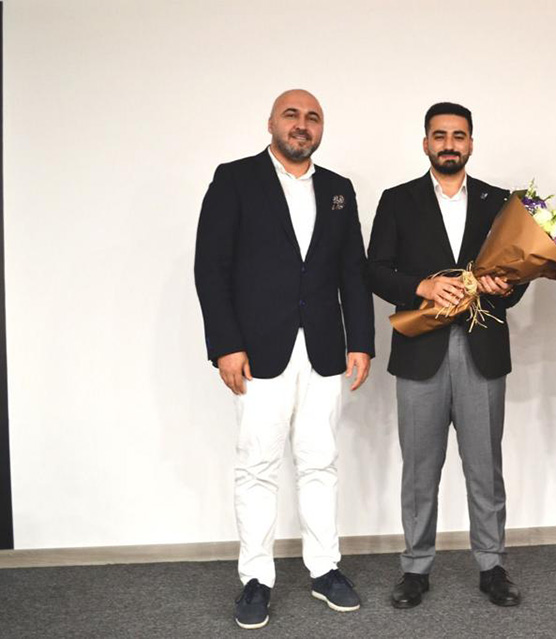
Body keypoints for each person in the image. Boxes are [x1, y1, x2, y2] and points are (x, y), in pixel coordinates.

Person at [194, 89, 375, 629]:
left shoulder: (339, 189)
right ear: (271, 122)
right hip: (256, 351)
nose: (302, 124)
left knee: (320, 461)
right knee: (257, 465)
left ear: (321, 129)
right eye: (291, 115)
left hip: (323, 349)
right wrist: (225, 344)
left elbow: (352, 271)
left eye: (312, 117)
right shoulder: (235, 179)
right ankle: (256, 577)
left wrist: (361, 341)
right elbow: (211, 266)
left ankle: (325, 569)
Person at [366, 102, 526, 609]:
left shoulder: (501, 202)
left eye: (459, 135)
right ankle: (415, 568)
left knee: (485, 467)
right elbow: (375, 269)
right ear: (426, 143)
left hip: (482, 351)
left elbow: (518, 275)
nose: (449, 144)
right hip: (420, 351)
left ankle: (492, 565)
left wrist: (505, 286)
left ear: (471, 143)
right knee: (420, 469)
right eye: (440, 135)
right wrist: (422, 286)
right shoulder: (398, 200)